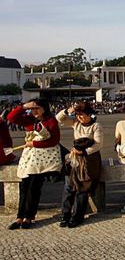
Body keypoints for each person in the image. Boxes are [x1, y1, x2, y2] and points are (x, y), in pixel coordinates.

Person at [7, 98, 62, 230]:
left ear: (44, 108)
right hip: (29, 159)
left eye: (37, 108)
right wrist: (24, 106)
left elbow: (54, 141)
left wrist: (34, 143)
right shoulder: (30, 120)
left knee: (33, 189)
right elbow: (11, 117)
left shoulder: (50, 121)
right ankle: (19, 217)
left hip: (43, 160)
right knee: (24, 188)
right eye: (32, 109)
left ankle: (29, 217)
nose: (34, 111)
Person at [56, 101, 104, 228]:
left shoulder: (96, 126)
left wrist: (83, 151)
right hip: (75, 158)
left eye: (83, 115)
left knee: (82, 189)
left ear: (90, 114)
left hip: (89, 160)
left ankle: (77, 216)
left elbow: (98, 144)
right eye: (78, 115)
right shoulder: (75, 124)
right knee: (68, 187)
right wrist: (68, 110)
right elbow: (59, 119)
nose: (81, 117)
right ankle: (65, 215)